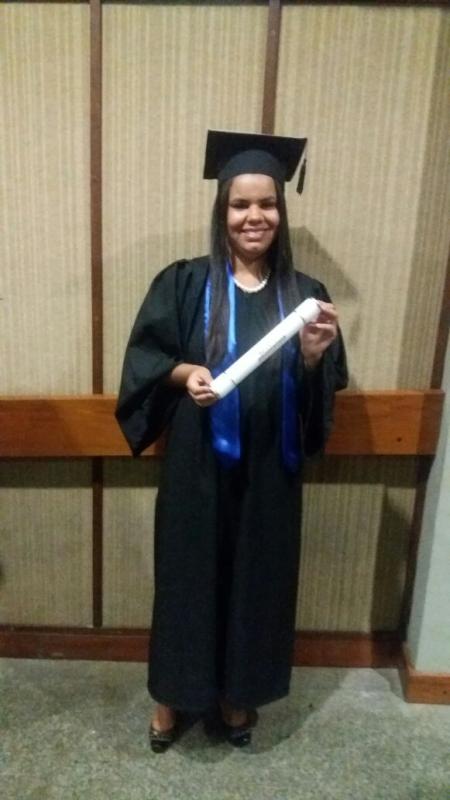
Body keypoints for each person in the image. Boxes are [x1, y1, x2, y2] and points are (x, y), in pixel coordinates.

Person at [115, 130, 348, 753]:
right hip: (198, 464)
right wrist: (185, 373)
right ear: (222, 211)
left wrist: (312, 357)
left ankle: (237, 692)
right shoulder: (185, 283)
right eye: (240, 204)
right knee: (188, 577)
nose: (254, 216)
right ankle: (173, 694)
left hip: (272, 466)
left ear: (281, 211)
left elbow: (323, 389)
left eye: (267, 203)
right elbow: (146, 361)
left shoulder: (306, 297)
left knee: (258, 579)